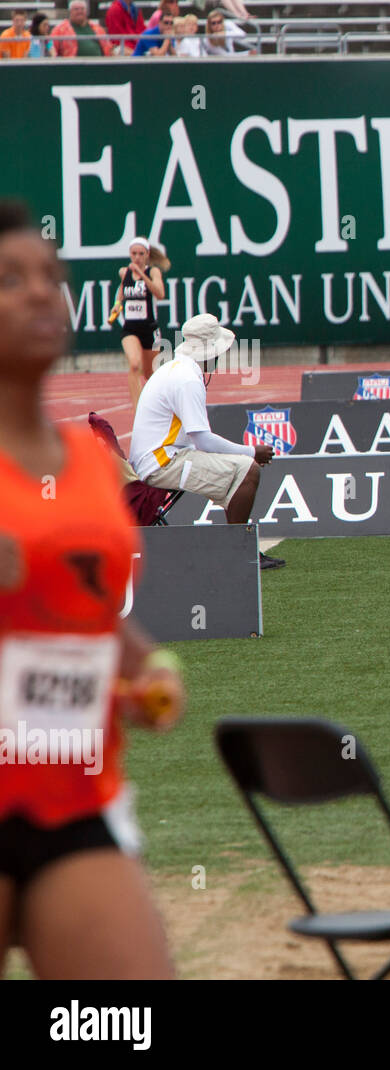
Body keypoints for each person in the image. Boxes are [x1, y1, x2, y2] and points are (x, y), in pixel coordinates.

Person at [0, 199, 184, 980]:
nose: (43, 292)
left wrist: (150, 670)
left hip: (73, 803)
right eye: (11, 279)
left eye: (52, 275)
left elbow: (97, 618)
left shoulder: (91, 461)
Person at [128, 313, 284, 569]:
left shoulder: (174, 368)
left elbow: (198, 440)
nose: (219, 357)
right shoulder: (187, 378)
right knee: (249, 470)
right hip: (161, 463)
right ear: (208, 351)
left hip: (160, 458)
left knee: (241, 468)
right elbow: (203, 440)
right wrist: (251, 451)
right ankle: (241, 553)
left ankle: (240, 550)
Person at [110, 237, 165, 409]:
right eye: (134, 254)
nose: (137, 257)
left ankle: (160, 406)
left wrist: (141, 275)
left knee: (150, 374)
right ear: (130, 254)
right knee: (134, 365)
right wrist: (117, 306)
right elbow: (122, 292)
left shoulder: (153, 272)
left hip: (149, 329)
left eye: (141, 254)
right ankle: (138, 410)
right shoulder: (124, 272)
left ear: (147, 255)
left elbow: (160, 294)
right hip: (130, 329)